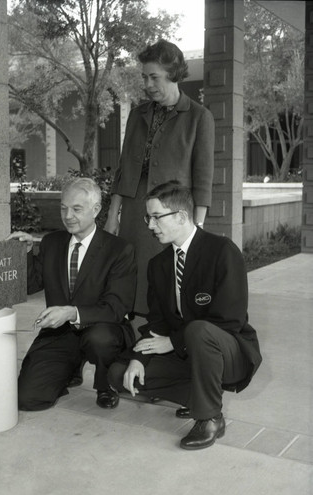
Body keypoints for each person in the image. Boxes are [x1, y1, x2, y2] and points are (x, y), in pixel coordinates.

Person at [107, 181, 262, 450]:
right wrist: (138, 358)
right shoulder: (158, 265)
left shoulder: (222, 251)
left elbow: (231, 319)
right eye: (148, 217)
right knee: (119, 373)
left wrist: (173, 343)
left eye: (156, 217)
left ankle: (210, 418)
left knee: (198, 330)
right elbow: (157, 321)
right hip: (188, 352)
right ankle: (196, 398)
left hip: (229, 352)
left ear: (181, 216)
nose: (150, 225)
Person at [104, 39, 215, 316]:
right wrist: (112, 215)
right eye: (144, 77)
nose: (148, 84)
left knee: (167, 281)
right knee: (133, 277)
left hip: (173, 214)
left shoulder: (199, 117)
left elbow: (203, 177)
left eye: (154, 77)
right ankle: (132, 338)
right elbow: (124, 168)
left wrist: (197, 226)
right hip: (134, 212)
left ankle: (165, 336)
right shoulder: (137, 114)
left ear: (173, 74)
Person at [7, 177, 137, 411]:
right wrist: (26, 254)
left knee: (100, 339)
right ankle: (68, 369)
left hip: (103, 328)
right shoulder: (52, 242)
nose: (68, 216)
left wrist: (71, 312)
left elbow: (117, 307)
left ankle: (105, 384)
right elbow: (30, 285)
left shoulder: (119, 250)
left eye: (77, 209)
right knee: (27, 399)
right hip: (60, 333)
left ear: (96, 210)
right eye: (63, 208)